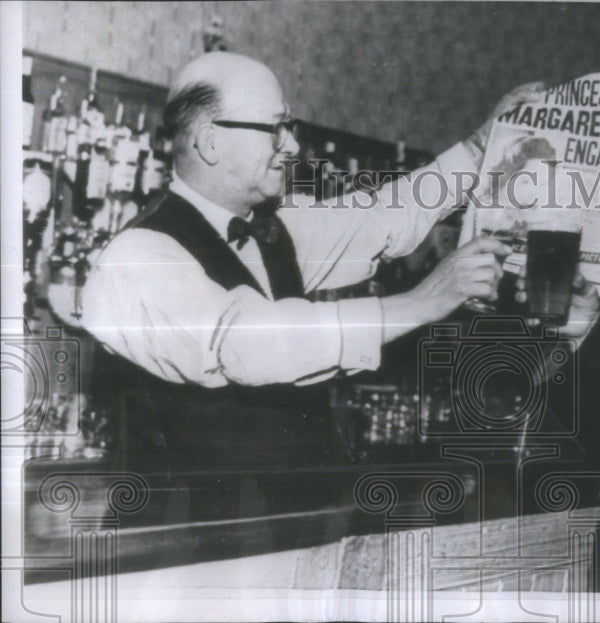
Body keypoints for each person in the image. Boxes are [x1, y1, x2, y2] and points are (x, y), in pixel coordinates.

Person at [79, 51, 543, 519]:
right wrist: (422, 302)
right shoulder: (135, 257)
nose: (292, 147)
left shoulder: (279, 230)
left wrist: (480, 147)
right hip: (173, 553)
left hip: (286, 537)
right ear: (210, 141)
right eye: (274, 128)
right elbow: (245, 344)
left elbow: (384, 215)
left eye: (291, 128)